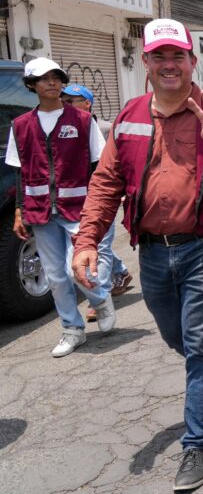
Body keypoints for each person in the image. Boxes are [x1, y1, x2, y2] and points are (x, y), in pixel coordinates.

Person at [72, 18, 203, 492]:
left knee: (199, 342)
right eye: (158, 56)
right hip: (154, 251)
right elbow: (106, 183)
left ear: (191, 62)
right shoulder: (131, 115)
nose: (168, 65)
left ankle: (198, 442)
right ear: (146, 62)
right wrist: (86, 240)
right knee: (177, 336)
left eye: (177, 56)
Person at [8, 59, 115, 357]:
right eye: (44, 79)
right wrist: (19, 210)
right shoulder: (20, 126)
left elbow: (99, 165)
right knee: (55, 276)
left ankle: (100, 299)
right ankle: (72, 329)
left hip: (78, 208)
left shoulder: (82, 121)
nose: (52, 83)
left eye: (57, 78)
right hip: (40, 211)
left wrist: (100, 203)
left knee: (75, 269)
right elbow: (19, 171)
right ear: (32, 85)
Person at [59, 85, 134, 323]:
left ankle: (97, 300)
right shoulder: (61, 129)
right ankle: (120, 272)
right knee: (91, 243)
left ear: (87, 103)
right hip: (71, 202)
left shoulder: (103, 128)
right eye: (65, 100)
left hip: (101, 198)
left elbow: (118, 162)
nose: (66, 104)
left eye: (73, 100)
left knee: (100, 246)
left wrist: (120, 190)